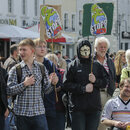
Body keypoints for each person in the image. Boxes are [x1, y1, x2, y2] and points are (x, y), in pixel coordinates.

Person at [7, 38, 53, 130]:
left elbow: (46, 90)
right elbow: (8, 91)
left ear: (32, 51)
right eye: (20, 50)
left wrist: (52, 83)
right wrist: (24, 84)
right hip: (21, 114)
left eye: (24, 50)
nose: (21, 52)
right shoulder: (16, 69)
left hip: (39, 113)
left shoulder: (41, 68)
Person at [62, 38, 107, 130]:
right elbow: (66, 85)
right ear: (79, 50)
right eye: (83, 49)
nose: (86, 52)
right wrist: (82, 88)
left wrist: (95, 81)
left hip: (94, 108)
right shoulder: (72, 65)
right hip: (77, 108)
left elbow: (105, 82)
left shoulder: (96, 65)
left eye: (87, 49)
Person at [33, 38, 59, 130]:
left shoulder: (50, 64)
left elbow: (58, 82)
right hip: (33, 106)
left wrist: (55, 80)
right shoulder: (29, 63)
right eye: (39, 46)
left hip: (48, 104)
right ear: (33, 49)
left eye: (44, 46)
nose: (42, 49)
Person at [94, 37, 116, 130]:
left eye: (104, 47)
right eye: (100, 47)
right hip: (96, 93)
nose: (103, 49)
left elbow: (113, 75)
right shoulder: (92, 61)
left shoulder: (110, 61)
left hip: (108, 93)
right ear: (96, 48)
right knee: (96, 119)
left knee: (105, 119)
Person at [45, 53, 66, 130]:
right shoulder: (43, 72)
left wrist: (59, 87)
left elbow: (66, 85)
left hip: (59, 107)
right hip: (46, 108)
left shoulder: (62, 73)